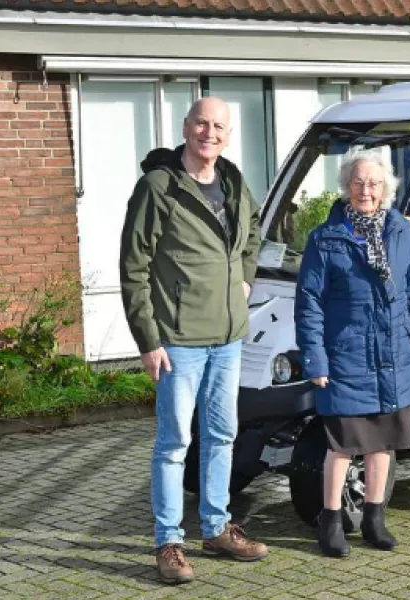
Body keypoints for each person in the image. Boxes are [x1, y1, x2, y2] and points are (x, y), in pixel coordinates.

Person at [120, 97, 268, 584]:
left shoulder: (234, 181)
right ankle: (168, 542)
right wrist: (148, 339)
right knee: (174, 443)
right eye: (201, 123)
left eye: (219, 125)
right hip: (178, 340)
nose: (210, 132)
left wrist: (245, 281)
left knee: (223, 436)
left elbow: (253, 235)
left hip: (228, 338)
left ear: (228, 134)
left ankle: (217, 527)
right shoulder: (159, 188)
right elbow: (135, 267)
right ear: (186, 128)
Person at [295, 148, 410, 558]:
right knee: (341, 445)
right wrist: (315, 358)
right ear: (346, 187)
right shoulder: (324, 239)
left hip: (394, 354)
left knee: (383, 444)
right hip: (347, 357)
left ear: (386, 188)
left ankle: (375, 519)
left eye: (373, 183)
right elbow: (309, 304)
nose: (365, 191)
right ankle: (331, 520)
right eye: (357, 183)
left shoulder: (402, 231)